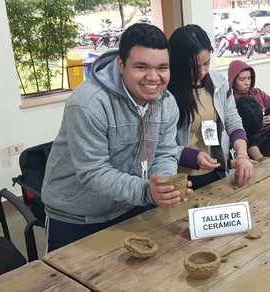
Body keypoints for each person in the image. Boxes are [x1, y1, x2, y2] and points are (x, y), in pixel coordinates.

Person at [42, 24, 189, 251]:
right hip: (76, 218)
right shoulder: (88, 104)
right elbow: (93, 171)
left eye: (162, 67)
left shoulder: (166, 102)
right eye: (141, 66)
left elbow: (164, 151)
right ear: (121, 64)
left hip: (128, 208)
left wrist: (164, 183)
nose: (154, 77)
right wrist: (145, 191)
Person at [168, 25, 254, 190]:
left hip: (216, 169)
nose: (202, 71)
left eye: (206, 63)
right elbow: (161, 146)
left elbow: (233, 121)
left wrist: (242, 155)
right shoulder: (167, 93)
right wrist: (191, 157)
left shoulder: (219, 83)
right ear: (178, 64)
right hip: (182, 179)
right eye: (194, 67)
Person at [227, 60, 270, 159]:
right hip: (258, 141)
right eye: (242, 79)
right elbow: (237, 130)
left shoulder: (257, 93)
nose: (247, 83)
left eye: (249, 78)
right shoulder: (231, 102)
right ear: (233, 80)